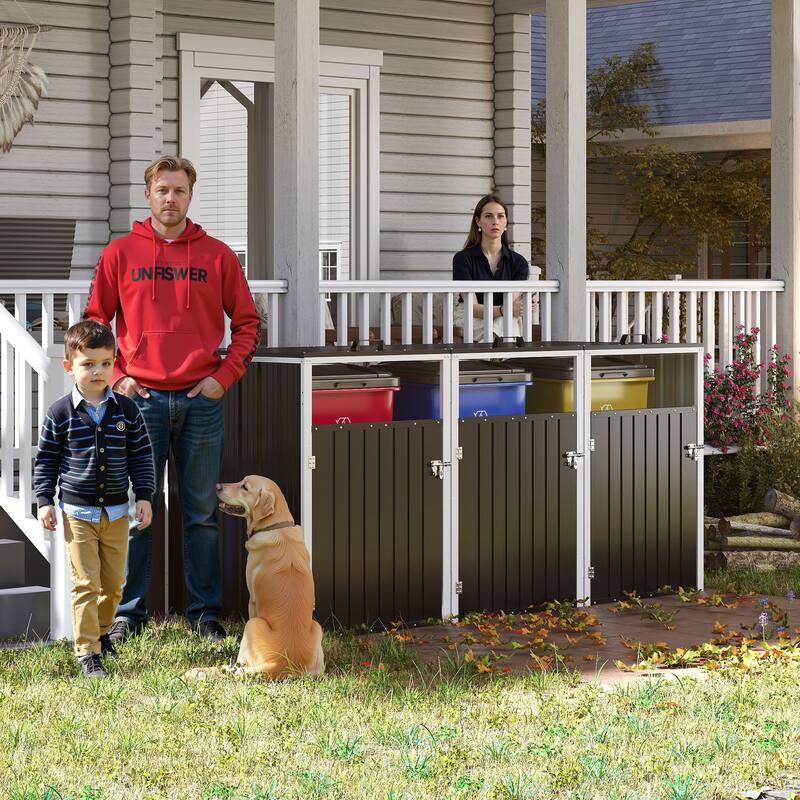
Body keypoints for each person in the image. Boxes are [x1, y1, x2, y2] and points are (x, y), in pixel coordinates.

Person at [84, 154, 261, 643]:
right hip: (137, 402)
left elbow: (247, 324)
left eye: (179, 190)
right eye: (162, 189)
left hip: (200, 400)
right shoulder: (121, 254)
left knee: (202, 511)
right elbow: (95, 324)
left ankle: (204, 614)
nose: (170, 198)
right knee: (137, 508)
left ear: (190, 195)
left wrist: (223, 377)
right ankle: (129, 615)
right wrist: (117, 375)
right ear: (148, 195)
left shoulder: (217, 255)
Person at [34, 320, 155, 678]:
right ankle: (87, 651)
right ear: (70, 366)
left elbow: (141, 456)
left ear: (115, 362)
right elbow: (47, 460)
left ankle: (102, 633)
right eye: (88, 364)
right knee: (87, 583)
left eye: (106, 363)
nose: (98, 371)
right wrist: (44, 501)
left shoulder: (127, 411)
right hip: (77, 514)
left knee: (114, 583)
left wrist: (144, 496)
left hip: (118, 512)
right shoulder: (60, 414)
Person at [452, 194, 532, 342]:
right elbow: (472, 307)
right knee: (506, 324)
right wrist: (502, 310)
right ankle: (498, 354)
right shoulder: (462, 259)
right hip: (471, 316)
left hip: (505, 318)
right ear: (478, 221)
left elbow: (512, 305)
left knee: (505, 321)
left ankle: (491, 354)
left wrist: (506, 311)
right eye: (488, 216)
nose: (495, 221)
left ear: (506, 222)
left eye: (500, 216)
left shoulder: (519, 262)